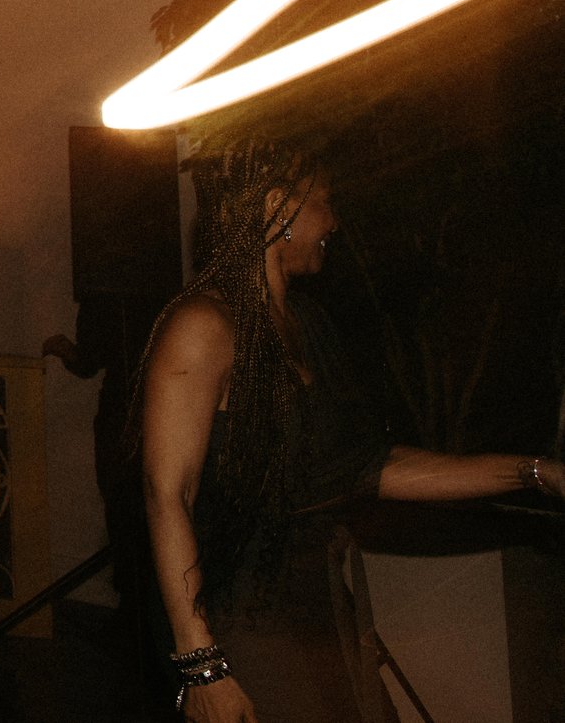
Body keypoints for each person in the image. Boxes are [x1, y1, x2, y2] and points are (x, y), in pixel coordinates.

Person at [136, 146, 565, 722]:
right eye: (325, 204)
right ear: (276, 208)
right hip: (238, 622)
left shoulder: (306, 324)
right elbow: (168, 494)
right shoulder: (203, 326)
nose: (334, 222)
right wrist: (202, 664)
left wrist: (533, 472)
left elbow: (370, 466)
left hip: (316, 607)